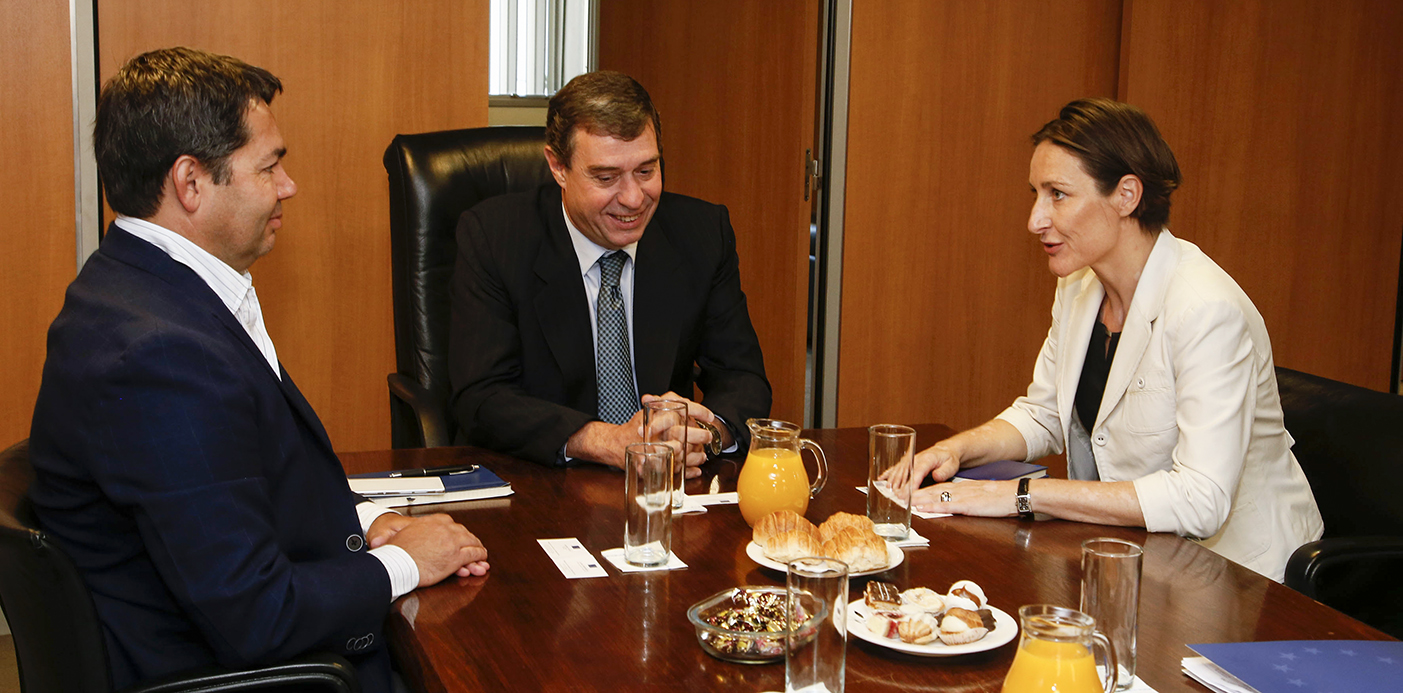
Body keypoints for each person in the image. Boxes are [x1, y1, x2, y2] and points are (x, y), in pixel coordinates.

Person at [28, 47, 487, 692]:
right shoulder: (158, 353)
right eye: (269, 167)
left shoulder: (145, 290)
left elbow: (237, 488)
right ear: (190, 183)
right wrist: (404, 564)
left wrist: (361, 522)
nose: (287, 185)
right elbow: (257, 615)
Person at [899, 98, 1322, 581]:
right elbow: (1044, 415)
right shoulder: (1079, 285)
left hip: (1241, 576)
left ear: (1126, 196)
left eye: (1058, 194)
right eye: (1037, 194)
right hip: (1134, 555)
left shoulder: (1206, 309)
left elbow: (1200, 499)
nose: (1035, 220)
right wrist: (957, 451)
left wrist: (1019, 496)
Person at [449, 70, 771, 474]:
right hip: (543, 478)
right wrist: (603, 441)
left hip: (664, 484)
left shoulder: (702, 233)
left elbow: (743, 377)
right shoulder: (495, 238)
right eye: (606, 177)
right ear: (558, 166)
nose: (634, 199)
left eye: (646, 171)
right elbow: (481, 397)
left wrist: (707, 432)